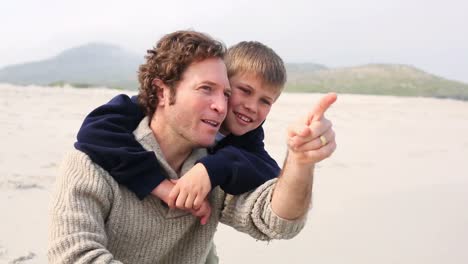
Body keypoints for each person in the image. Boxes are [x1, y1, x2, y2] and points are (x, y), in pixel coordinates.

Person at [48, 30, 337, 263]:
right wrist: (161, 185)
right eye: (206, 89)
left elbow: (276, 219)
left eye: (225, 93)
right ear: (162, 91)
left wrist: (301, 160)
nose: (222, 106)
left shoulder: (225, 157)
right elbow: (74, 257)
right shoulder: (96, 154)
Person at [74, 40, 291, 224]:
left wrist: (213, 168)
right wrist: (159, 185)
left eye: (265, 101)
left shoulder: (247, 138)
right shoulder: (150, 108)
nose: (252, 106)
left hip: (194, 235)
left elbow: (270, 173)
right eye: (244, 91)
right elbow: (95, 130)